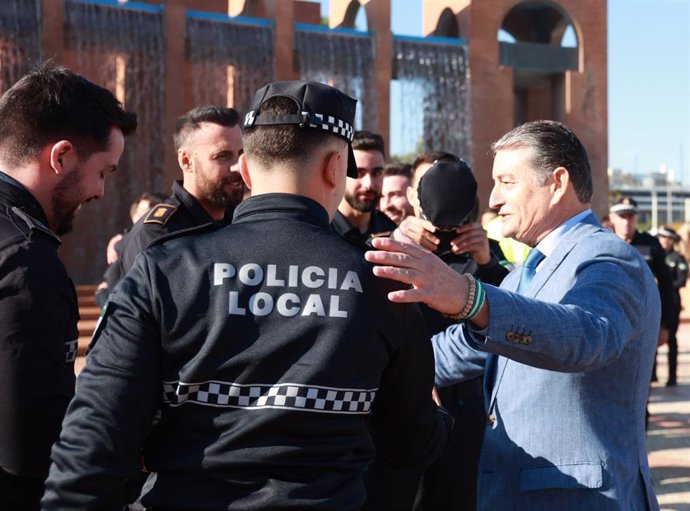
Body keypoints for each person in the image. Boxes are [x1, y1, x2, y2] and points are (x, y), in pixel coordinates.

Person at [42, 80, 452, 511]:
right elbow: (413, 445)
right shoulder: (383, 280)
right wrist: (439, 420)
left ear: (248, 170)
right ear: (335, 167)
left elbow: (94, 434)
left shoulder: (166, 267)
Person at [364, 120, 661, 510]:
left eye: (507, 182)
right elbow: (462, 346)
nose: (493, 201)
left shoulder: (608, 258)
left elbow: (588, 336)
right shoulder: (525, 272)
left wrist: (468, 297)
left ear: (556, 183)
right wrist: (380, 368)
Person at [0, 62, 137, 510]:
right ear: (60, 157)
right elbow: (32, 446)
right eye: (104, 172)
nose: (100, 192)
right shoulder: (29, 266)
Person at [365, 155, 508, 511]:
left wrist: (488, 263)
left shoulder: (488, 252)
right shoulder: (384, 246)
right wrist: (399, 243)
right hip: (399, 413)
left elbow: (513, 323)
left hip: (468, 412)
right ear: (415, 195)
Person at [116, 105, 244, 276]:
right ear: (186, 161)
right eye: (222, 156)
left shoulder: (242, 222)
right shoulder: (161, 234)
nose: (237, 167)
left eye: (241, 154)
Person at [609, 196, 674, 381]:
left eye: (630, 216)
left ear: (636, 218)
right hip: (612, 320)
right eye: (622, 216)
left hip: (643, 322)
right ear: (612, 217)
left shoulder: (651, 244)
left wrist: (665, 325)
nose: (626, 221)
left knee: (641, 377)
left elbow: (666, 286)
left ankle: (642, 410)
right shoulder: (603, 242)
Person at [332, 130, 396, 249]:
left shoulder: (392, 235)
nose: (369, 184)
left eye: (377, 173)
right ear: (339, 172)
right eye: (359, 173)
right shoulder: (320, 228)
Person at [656, 225, 688, 386]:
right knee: (651, 337)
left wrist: (664, 284)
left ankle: (672, 376)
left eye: (665, 238)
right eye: (661, 237)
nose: (663, 241)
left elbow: (681, 281)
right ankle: (653, 374)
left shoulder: (677, 258)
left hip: (672, 303)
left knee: (671, 339)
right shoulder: (655, 257)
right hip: (655, 301)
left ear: (671, 240)